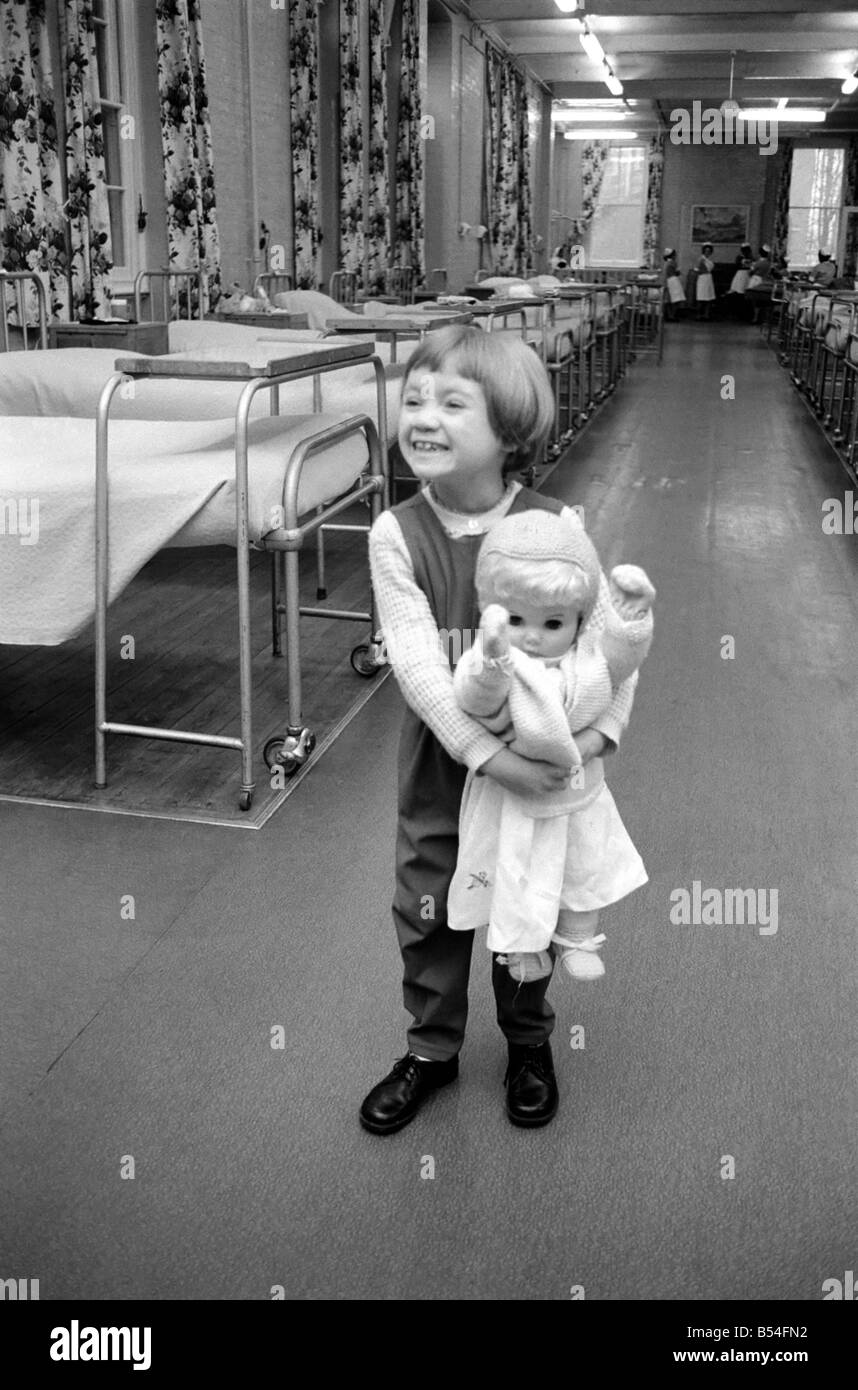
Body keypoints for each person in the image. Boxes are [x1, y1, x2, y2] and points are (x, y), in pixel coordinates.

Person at [360, 324, 637, 1134]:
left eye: (451, 402)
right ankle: (432, 1051)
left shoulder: (558, 525)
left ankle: (527, 1044)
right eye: (413, 399)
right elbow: (416, 666)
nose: (423, 416)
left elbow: (613, 648)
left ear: (509, 430)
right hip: (444, 767)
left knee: (529, 906)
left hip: (545, 768)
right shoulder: (396, 535)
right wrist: (488, 756)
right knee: (429, 906)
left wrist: (596, 742)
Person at [446, 510, 654, 987]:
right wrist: (494, 657)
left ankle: (578, 937)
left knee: (581, 863)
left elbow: (620, 666)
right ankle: (521, 946)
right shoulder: (499, 663)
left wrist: (632, 619)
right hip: (511, 795)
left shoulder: (586, 663)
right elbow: (471, 697)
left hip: (576, 793)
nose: (534, 635)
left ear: (578, 622)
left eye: (552, 622)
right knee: (515, 866)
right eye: (516, 620)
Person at [662, 247, 685, 320]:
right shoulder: (673, 262)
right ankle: (672, 315)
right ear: (671, 255)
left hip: (668, 281)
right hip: (673, 281)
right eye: (674, 255)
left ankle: (669, 315)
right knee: (676, 300)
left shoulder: (666, 263)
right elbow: (677, 273)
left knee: (669, 300)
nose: (676, 256)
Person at [695, 243, 716, 320]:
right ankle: (698, 315)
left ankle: (706, 314)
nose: (707, 252)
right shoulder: (701, 259)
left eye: (709, 251)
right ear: (703, 251)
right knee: (701, 297)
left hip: (708, 279)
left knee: (708, 298)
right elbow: (698, 269)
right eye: (706, 251)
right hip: (702, 279)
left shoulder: (709, 260)